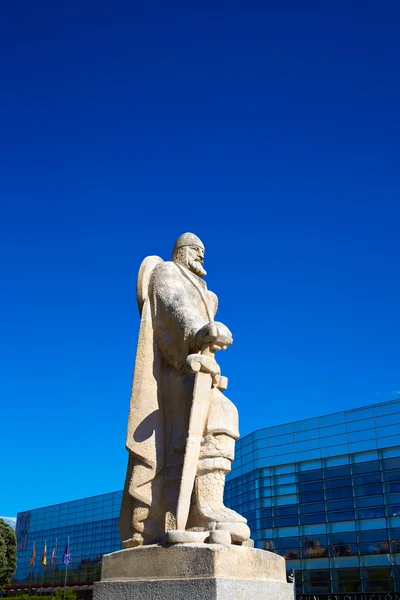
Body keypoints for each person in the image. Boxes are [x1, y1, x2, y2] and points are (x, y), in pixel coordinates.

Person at [119, 233, 250, 547]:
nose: (201, 257)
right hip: (174, 373)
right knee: (213, 414)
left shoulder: (207, 292)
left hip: (200, 370)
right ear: (181, 251)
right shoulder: (167, 273)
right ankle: (201, 509)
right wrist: (198, 331)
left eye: (203, 252)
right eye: (196, 250)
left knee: (222, 414)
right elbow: (175, 308)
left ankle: (202, 507)